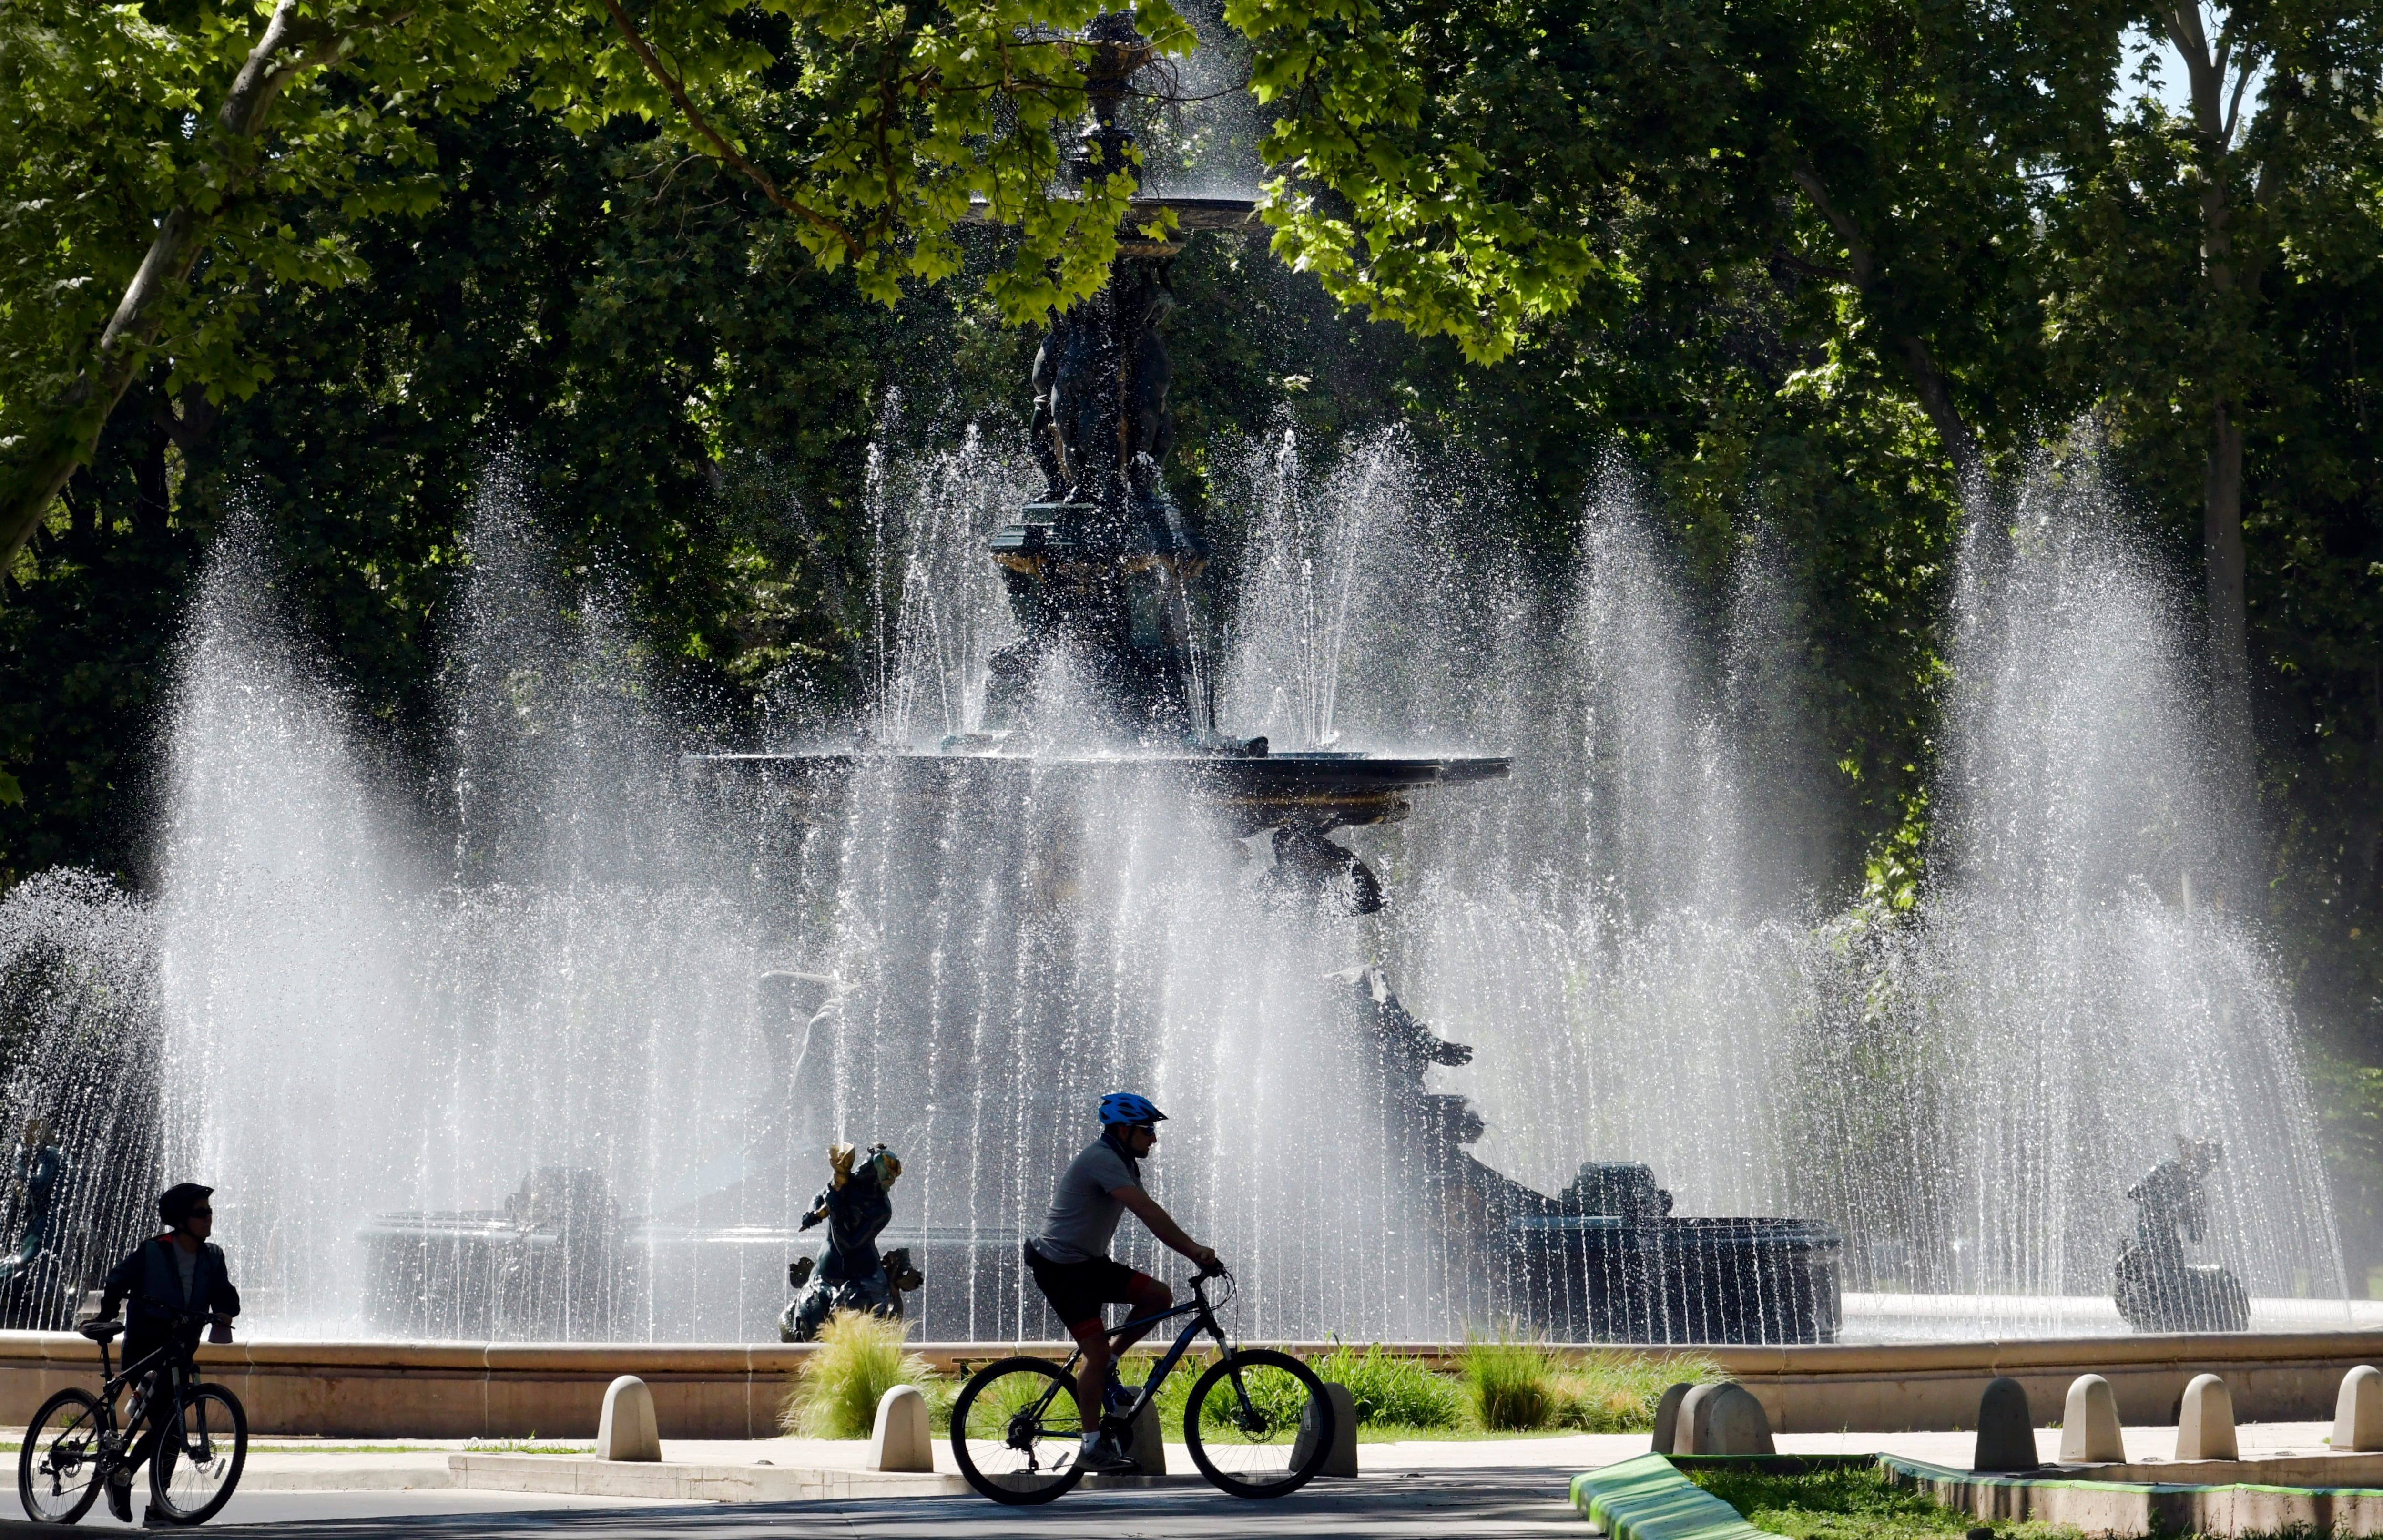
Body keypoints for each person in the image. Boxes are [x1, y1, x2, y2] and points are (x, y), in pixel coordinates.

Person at [1025, 1092, 1218, 1474]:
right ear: (1123, 1129)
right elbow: (1147, 1212)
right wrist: (1195, 1251)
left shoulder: (1123, 1161)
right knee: (1092, 1356)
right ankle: (1091, 1446)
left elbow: (1150, 1211)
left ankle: (1110, 1360)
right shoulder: (1102, 1159)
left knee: (1158, 1296)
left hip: (1088, 1264)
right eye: (1147, 1130)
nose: (1154, 1139)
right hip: (1060, 1268)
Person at [93, 1183, 240, 1522]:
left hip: (180, 1351)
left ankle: (145, 1495)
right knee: (168, 1426)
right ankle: (132, 1482)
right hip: (146, 1349)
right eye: (201, 1212)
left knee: (170, 1429)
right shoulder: (153, 1250)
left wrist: (225, 1312)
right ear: (181, 1220)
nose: (209, 1217)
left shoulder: (213, 1257)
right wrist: (107, 1315)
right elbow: (116, 1280)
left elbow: (225, 1296)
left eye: (210, 1211)